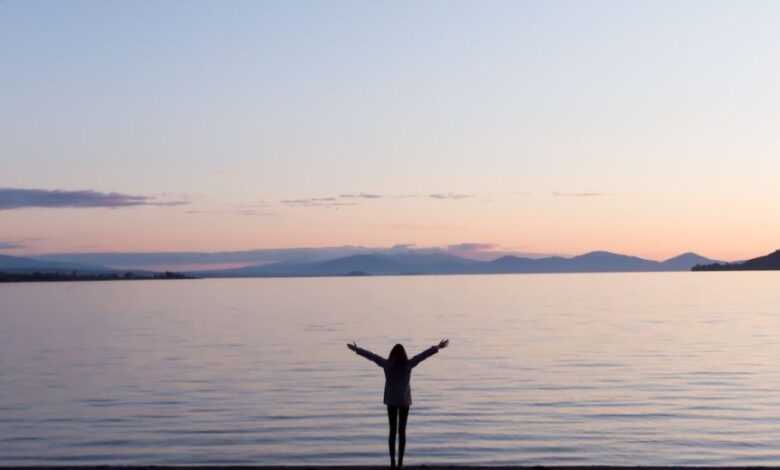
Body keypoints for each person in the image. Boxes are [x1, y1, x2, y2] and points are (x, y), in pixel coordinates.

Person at [347, 339, 449, 469]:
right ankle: (400, 463)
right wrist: (437, 347)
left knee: (392, 431)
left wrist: (357, 349)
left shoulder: (387, 364)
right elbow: (423, 355)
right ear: (404, 354)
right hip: (404, 401)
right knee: (402, 431)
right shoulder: (409, 364)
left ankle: (392, 462)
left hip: (391, 401)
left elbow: (371, 356)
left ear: (392, 354)